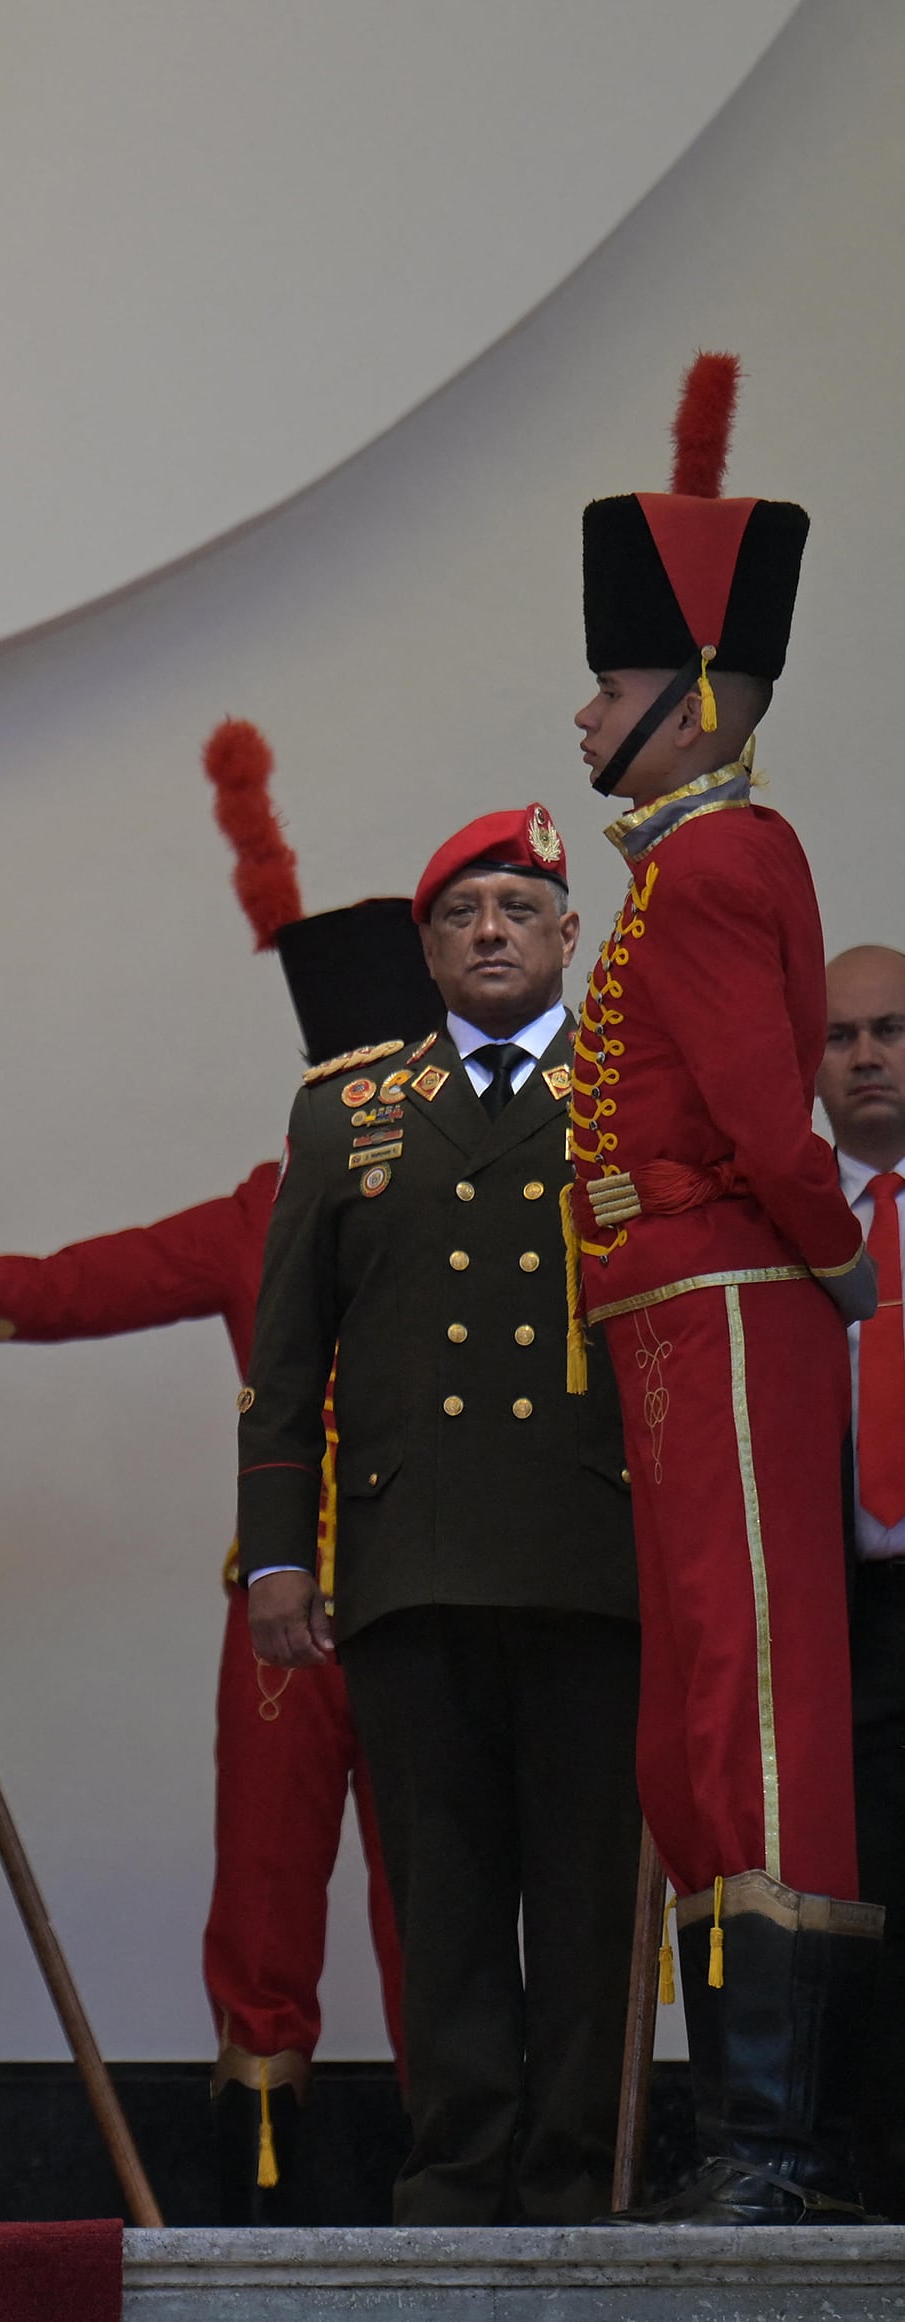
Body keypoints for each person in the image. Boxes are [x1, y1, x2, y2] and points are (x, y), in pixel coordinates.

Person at [0, 724, 426, 2223]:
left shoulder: (522, 1207)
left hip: (451, 1598)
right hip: (287, 1604)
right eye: (352, 1078)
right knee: (262, 1885)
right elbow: (61, 1286)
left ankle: (462, 2155)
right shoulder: (261, 1212)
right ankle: (258, 2159)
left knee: (431, 1893)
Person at [563, 358, 877, 2226]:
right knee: (695, 1719)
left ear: (686, 701)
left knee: (751, 1713)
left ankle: (769, 2138)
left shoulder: (716, 859)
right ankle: (743, 2126)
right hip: (674, 1321)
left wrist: (832, 1270)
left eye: (609, 682)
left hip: (737, 1309)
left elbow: (763, 1113)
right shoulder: (683, 859)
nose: (584, 708)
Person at [239, 807, 641, 2224]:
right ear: (426, 945)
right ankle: (460, 2165)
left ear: (568, 936)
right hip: (409, 1560)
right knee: (445, 1893)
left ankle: (582, 2169)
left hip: (597, 1555)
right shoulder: (344, 1110)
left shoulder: (634, 1090)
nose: (490, 930)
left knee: (591, 1898)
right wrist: (282, 1551)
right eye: (464, 909)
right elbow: (289, 1362)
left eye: (520, 907)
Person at [813, 942, 905, 2212]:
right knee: (866, 1902)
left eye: (891, 1028)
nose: (870, 1054)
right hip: (843, 1607)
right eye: (840, 1035)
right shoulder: (779, 1219)